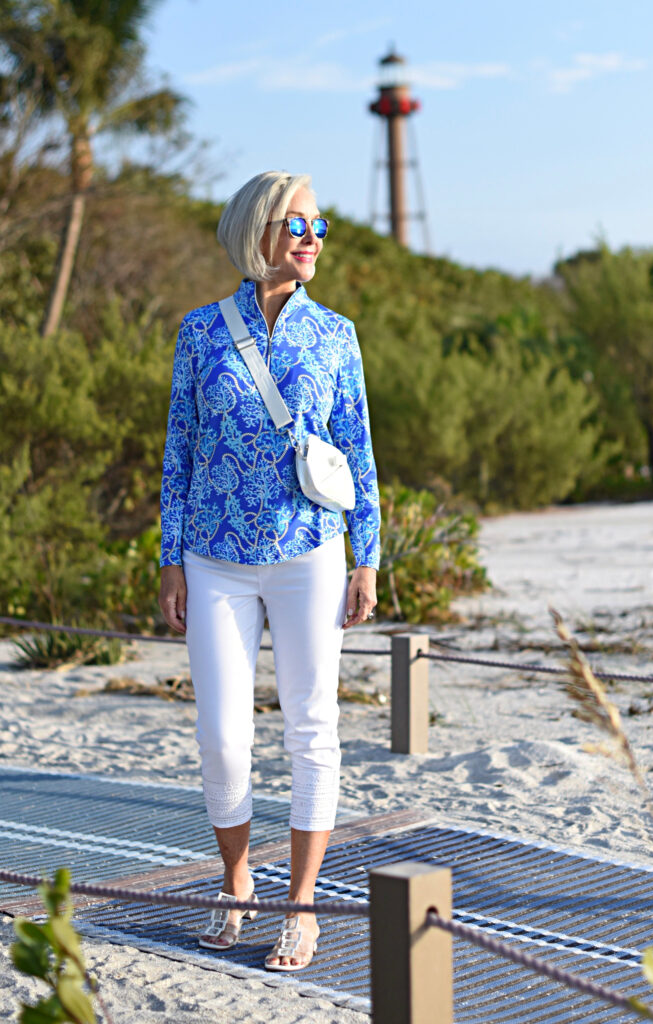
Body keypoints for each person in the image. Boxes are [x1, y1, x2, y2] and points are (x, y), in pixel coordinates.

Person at [158, 171, 381, 971]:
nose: (312, 238)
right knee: (221, 737)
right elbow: (178, 452)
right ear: (256, 232)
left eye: (319, 226)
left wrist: (368, 556)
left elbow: (355, 450)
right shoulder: (198, 333)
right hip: (213, 558)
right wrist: (170, 558)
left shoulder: (336, 334)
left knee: (311, 726)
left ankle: (301, 903)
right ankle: (236, 879)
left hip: (309, 552)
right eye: (296, 226)